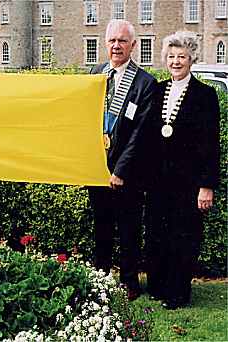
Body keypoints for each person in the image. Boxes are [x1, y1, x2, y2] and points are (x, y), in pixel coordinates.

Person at [145, 31, 220, 309]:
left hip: (188, 183)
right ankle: (159, 286)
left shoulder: (205, 95)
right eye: (172, 56)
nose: (176, 62)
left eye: (182, 57)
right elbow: (147, 137)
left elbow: (210, 143)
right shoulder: (157, 89)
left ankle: (178, 292)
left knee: (183, 236)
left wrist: (206, 185)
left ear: (192, 59)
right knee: (158, 233)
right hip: (157, 180)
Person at [87, 19, 156, 300]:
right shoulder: (96, 73)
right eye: (112, 41)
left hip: (127, 172)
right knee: (100, 227)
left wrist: (120, 170)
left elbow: (141, 134)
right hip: (96, 168)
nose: (117, 46)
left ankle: (129, 282)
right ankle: (100, 277)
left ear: (133, 45)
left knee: (128, 230)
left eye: (122, 41)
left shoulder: (145, 83)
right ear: (105, 43)